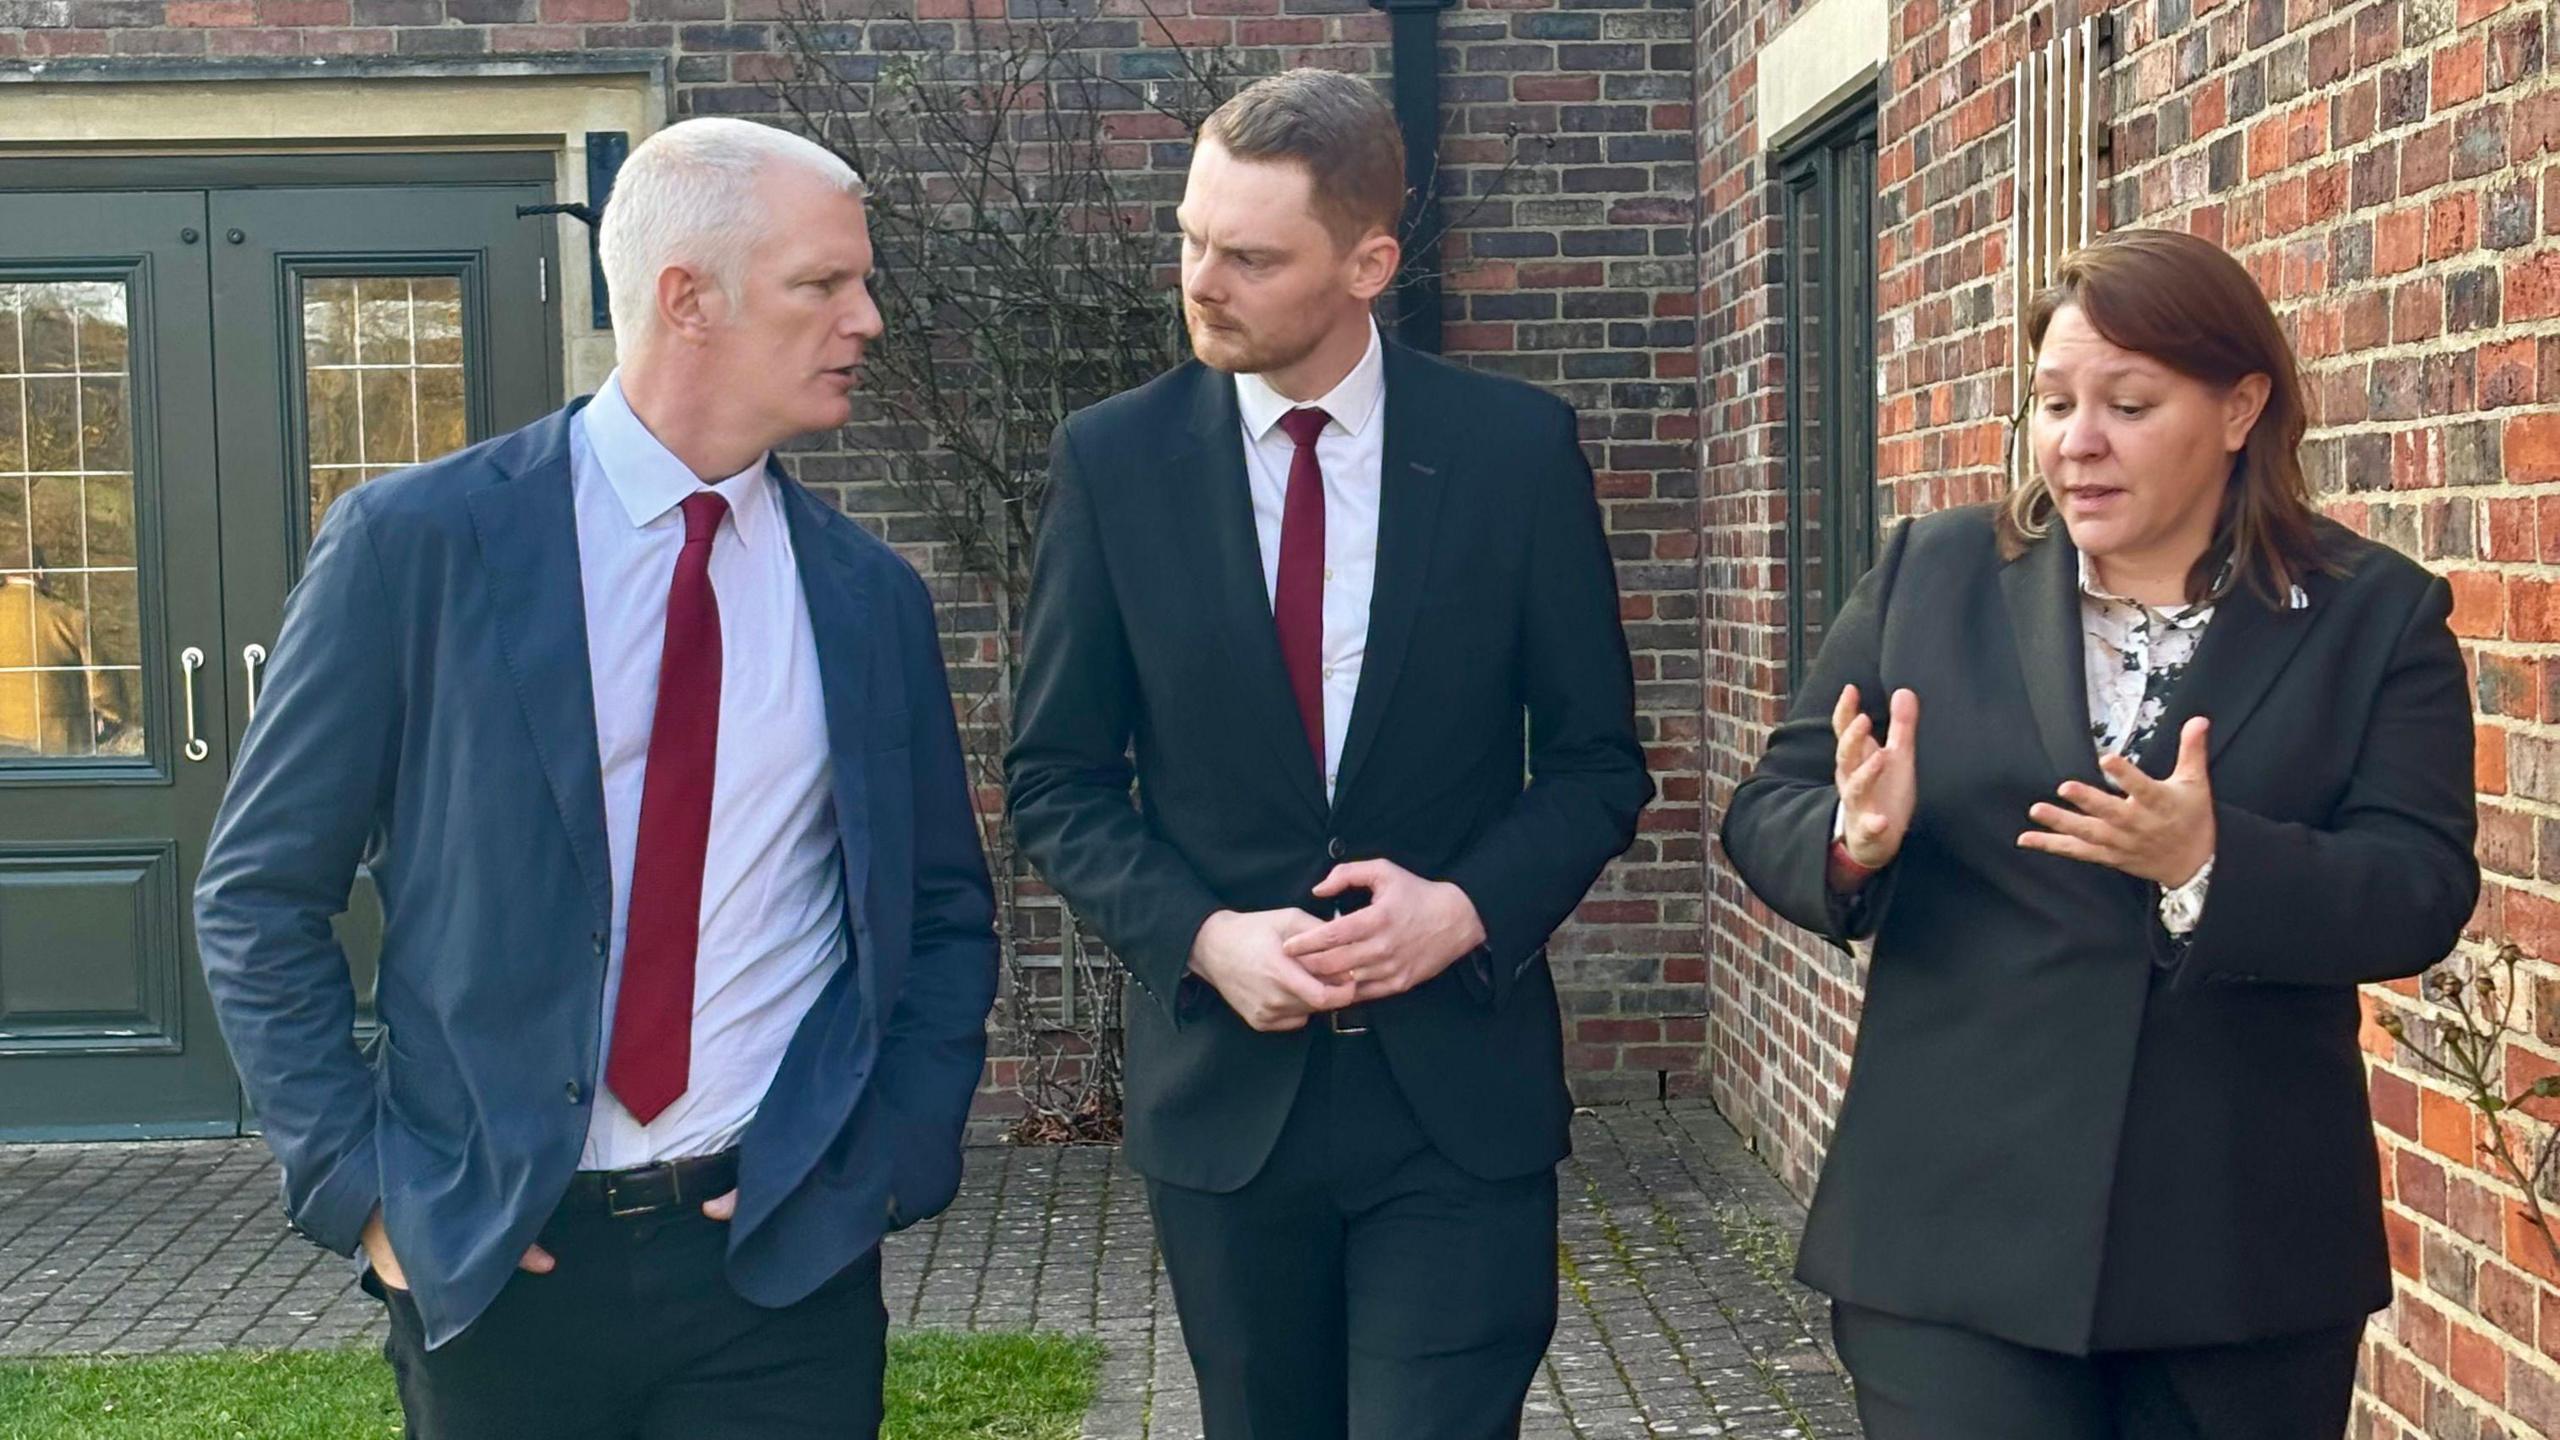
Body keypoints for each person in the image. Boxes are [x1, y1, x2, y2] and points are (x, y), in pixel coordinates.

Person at [195, 117, 998, 1440]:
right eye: (825, 284)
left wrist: (893, 1159)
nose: (866, 317)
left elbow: (943, 916)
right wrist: (367, 1188)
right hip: (502, 1265)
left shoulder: (867, 600)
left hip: (777, 1266)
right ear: (688, 297)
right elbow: (258, 897)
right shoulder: (420, 548)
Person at [1720, 228, 2479, 1439]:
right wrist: (1852, 838)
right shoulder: (1934, 574)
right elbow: (1769, 806)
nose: (2077, 442)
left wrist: (2210, 863)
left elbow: (2420, 887)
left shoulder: (2372, 615)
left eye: (2127, 404)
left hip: (2236, 1254)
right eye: (2053, 402)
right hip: (1951, 1241)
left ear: (2239, 408)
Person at [1005, 68, 1654, 1440]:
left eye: (1249, 254)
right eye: (1190, 238)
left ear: (1369, 261)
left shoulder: (1513, 453)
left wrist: (1467, 909)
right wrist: (1201, 936)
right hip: (1228, 1110)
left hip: (1456, 1103)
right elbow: (1057, 779)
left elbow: (1598, 763)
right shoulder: (1113, 465)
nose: (1203, 280)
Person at [0, 513, 130, 757]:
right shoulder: (67, 617)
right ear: (39, 573)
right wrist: (110, 720)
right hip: (55, 746)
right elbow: (102, 682)